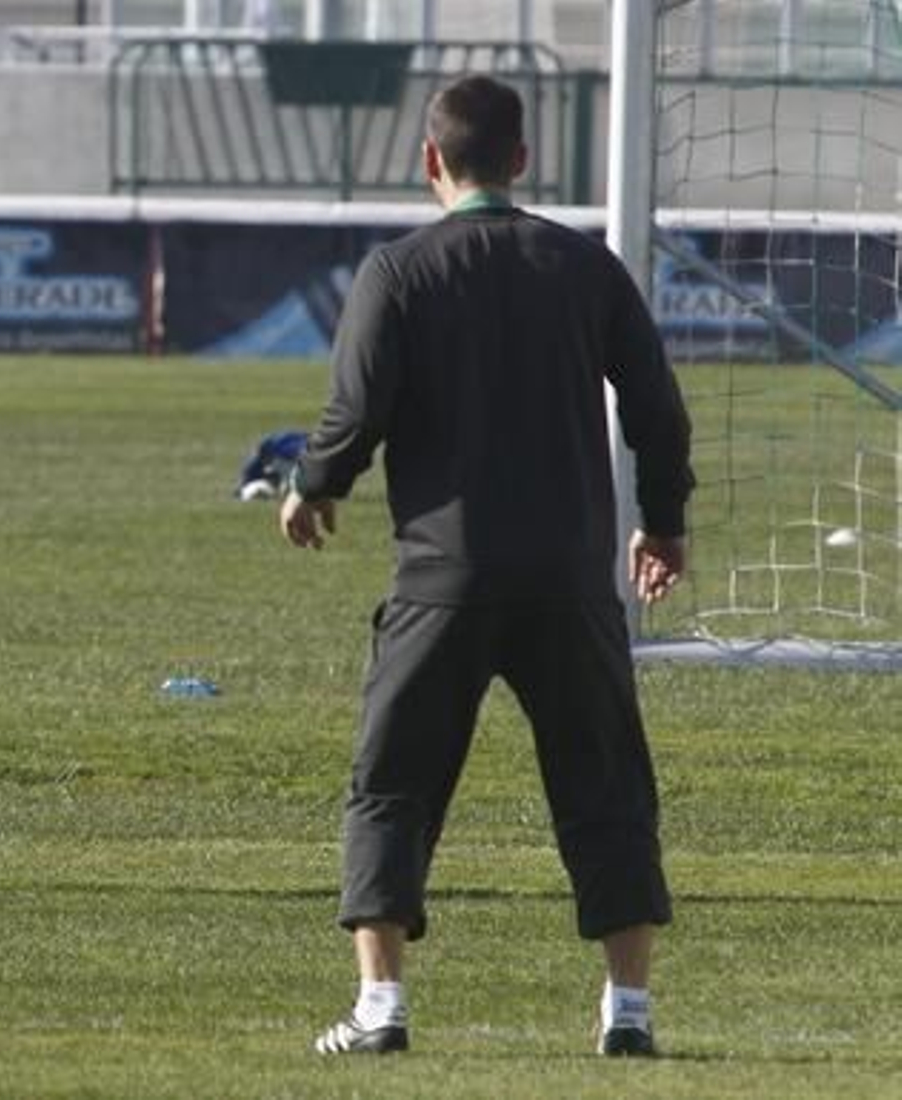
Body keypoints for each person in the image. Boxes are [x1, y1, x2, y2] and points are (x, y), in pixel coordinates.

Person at [281, 74, 693, 1057]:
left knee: (392, 784)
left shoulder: (398, 271)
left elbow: (356, 407)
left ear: (429, 161)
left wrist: (314, 481)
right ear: (521, 160)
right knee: (605, 785)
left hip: (442, 577)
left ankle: (381, 1004)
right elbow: (655, 408)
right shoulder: (584, 267)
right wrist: (663, 525)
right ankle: (626, 1008)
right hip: (566, 577)